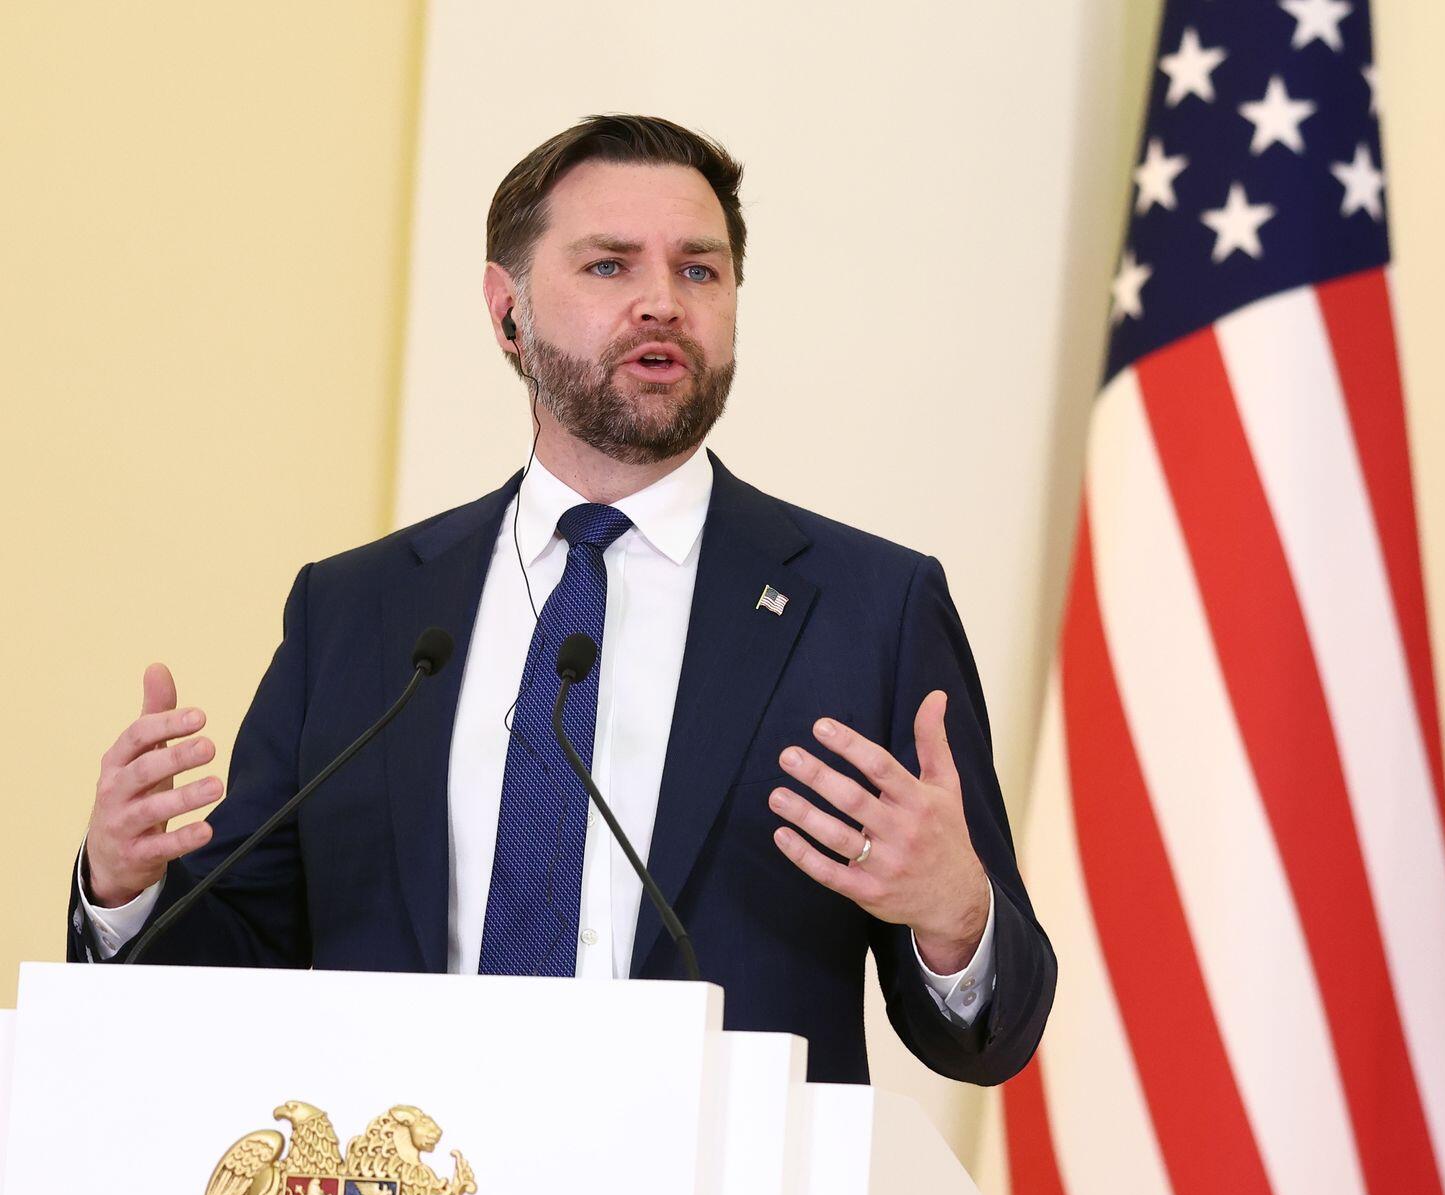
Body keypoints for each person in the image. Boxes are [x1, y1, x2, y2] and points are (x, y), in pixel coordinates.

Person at [67, 114, 1055, 1087]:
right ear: (508, 312)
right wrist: (123, 887)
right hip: (413, 1180)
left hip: (717, 1185)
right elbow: (230, 967)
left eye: (699, 271)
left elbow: (990, 1037)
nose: (662, 303)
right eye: (609, 266)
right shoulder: (357, 612)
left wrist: (956, 915)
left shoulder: (868, 609)